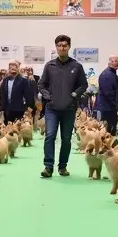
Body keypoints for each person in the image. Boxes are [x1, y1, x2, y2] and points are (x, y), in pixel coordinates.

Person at [38, 35, 88, 178]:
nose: (62, 48)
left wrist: (74, 95)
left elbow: (83, 85)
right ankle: (48, 167)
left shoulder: (76, 66)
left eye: (65, 45)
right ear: (56, 47)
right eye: (59, 45)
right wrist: (48, 96)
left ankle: (63, 167)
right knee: (50, 136)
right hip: (52, 109)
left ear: (69, 47)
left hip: (69, 109)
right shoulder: (50, 66)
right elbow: (41, 84)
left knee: (66, 138)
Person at [96, 55, 118, 134]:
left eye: (117, 61)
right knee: (107, 133)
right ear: (109, 63)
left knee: (109, 131)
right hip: (107, 108)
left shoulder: (112, 74)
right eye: (113, 61)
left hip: (108, 107)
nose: (115, 63)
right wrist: (117, 104)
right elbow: (108, 93)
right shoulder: (107, 75)